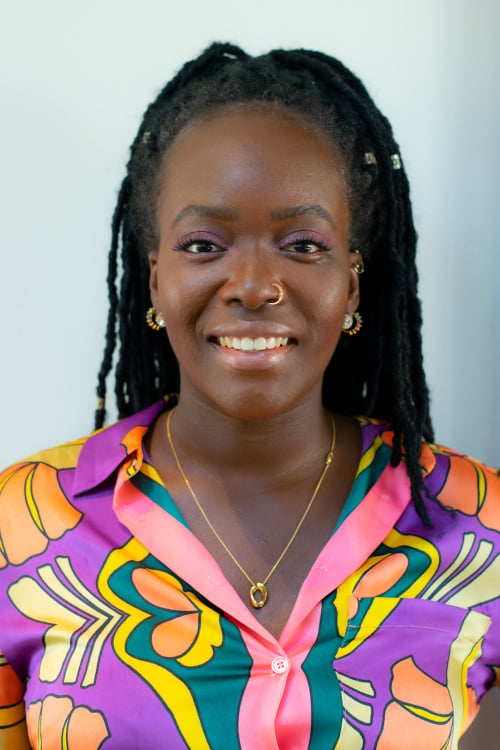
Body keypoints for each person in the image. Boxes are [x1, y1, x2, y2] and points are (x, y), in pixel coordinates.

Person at [0, 42, 498, 750]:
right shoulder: (20, 528)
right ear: (154, 281)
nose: (255, 286)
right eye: (205, 245)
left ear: (352, 285)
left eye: (303, 245)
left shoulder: (480, 527)